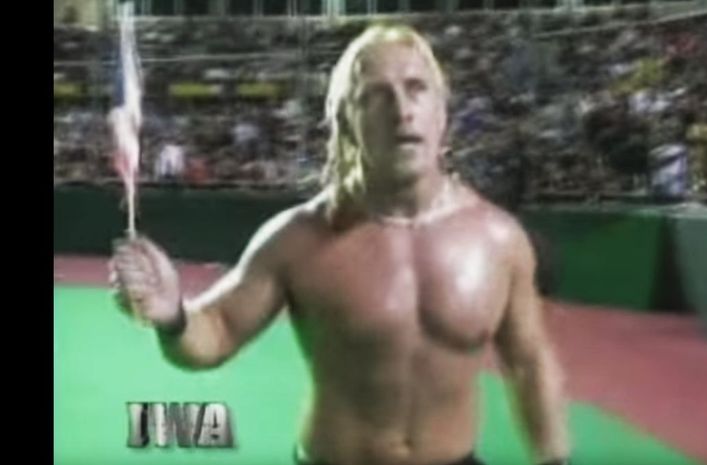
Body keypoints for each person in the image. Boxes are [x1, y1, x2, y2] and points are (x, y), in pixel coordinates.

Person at [112, 24, 571, 465]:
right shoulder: (295, 239)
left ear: (442, 112)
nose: (402, 110)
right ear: (347, 122)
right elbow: (215, 333)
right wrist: (172, 316)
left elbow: (529, 363)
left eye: (416, 89)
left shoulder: (499, 240)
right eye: (376, 95)